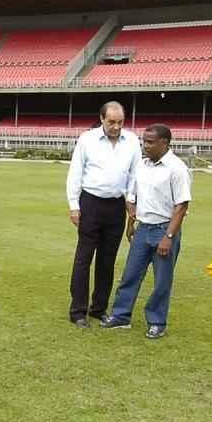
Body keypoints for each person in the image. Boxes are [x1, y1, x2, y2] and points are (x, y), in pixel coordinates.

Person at [101, 123, 191, 338]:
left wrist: (169, 237)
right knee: (130, 275)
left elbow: (182, 205)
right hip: (142, 229)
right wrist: (131, 223)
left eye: (150, 142)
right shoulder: (142, 165)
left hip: (164, 229)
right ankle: (121, 316)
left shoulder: (177, 168)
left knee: (162, 280)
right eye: (144, 141)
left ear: (164, 143)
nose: (145, 146)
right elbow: (132, 197)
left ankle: (157, 321)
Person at [65, 101, 139, 328]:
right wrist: (74, 205)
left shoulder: (132, 141)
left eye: (120, 122)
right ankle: (78, 311)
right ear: (101, 119)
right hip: (90, 203)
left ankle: (99, 308)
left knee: (107, 261)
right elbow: (75, 173)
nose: (116, 127)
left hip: (116, 206)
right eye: (111, 122)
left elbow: (134, 175)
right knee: (83, 259)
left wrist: (131, 202)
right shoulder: (87, 140)